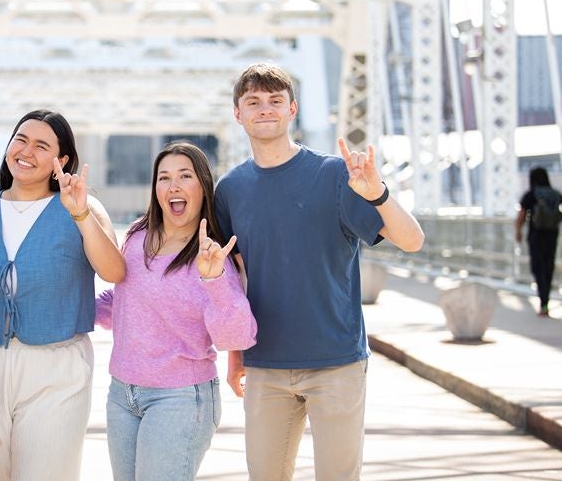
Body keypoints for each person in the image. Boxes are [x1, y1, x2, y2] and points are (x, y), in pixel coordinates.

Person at [214, 63, 424, 481]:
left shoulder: (333, 175)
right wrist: (236, 355)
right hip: (266, 364)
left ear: (292, 109)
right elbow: (233, 280)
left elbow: (413, 240)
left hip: (336, 361)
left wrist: (379, 195)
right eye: (253, 102)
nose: (265, 109)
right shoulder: (230, 190)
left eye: (275, 100)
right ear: (237, 114)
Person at [0, 109, 126, 481]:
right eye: (20, 139)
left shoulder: (84, 208)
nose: (26, 151)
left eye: (42, 145)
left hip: (58, 365)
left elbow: (114, 271)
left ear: (60, 161)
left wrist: (80, 215)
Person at [95, 141, 257, 481]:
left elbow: (236, 336)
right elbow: (124, 304)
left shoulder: (212, 255)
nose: (174, 186)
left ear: (203, 187)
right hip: (122, 393)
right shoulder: (138, 236)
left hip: (181, 398)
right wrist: (68, 307)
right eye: (164, 178)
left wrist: (213, 280)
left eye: (186, 176)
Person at [515, 166, 561, 317]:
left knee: (537, 268)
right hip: (552, 235)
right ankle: (545, 302)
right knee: (548, 267)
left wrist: (518, 231)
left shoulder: (531, 194)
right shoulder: (555, 194)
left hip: (536, 236)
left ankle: (543, 302)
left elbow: (522, 215)